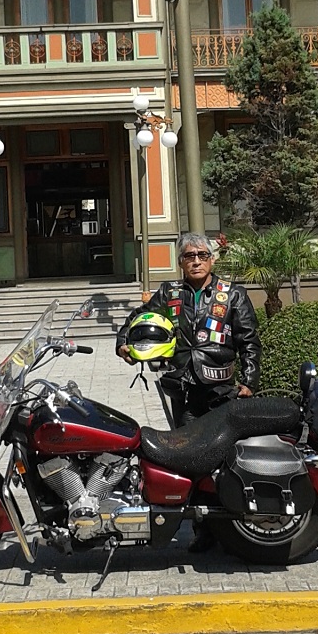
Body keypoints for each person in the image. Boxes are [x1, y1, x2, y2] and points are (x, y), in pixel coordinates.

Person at [117, 232, 260, 550]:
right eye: (188, 256)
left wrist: (249, 382)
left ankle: (227, 523)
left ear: (212, 259)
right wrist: (124, 342)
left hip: (221, 391)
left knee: (221, 458)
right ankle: (203, 528)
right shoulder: (169, 292)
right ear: (180, 261)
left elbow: (249, 341)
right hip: (182, 389)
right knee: (188, 458)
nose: (195, 261)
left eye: (202, 255)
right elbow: (137, 319)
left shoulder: (232, 294)